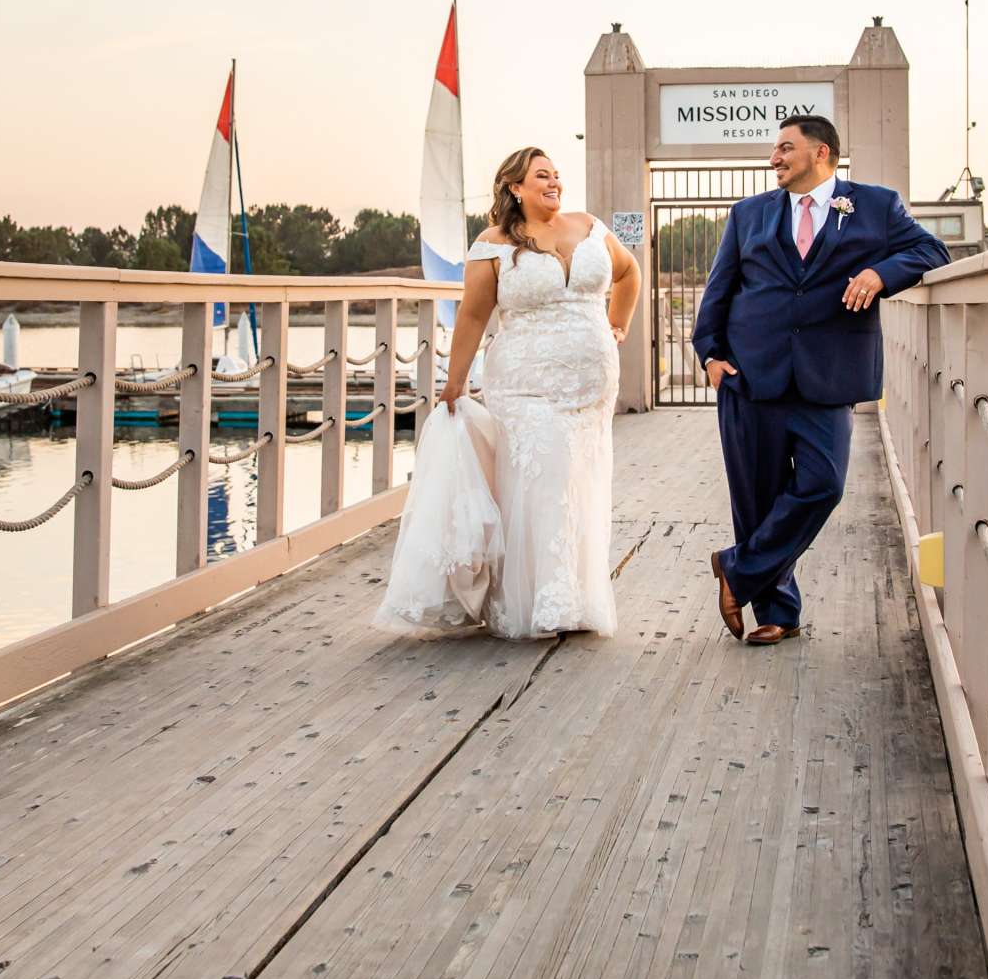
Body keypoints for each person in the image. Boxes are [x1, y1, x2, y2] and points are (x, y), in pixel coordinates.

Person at [693, 116, 948, 644]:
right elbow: (721, 286)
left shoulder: (875, 205)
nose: (775, 159)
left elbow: (931, 251)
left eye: (786, 148)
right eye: (775, 150)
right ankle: (778, 613)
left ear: (822, 153)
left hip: (828, 376)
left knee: (823, 485)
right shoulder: (749, 214)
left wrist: (881, 273)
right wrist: (710, 355)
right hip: (749, 375)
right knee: (756, 499)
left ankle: (736, 568)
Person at [382, 145, 640, 639]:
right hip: (526, 384)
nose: (554, 182)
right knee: (545, 480)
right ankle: (544, 601)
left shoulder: (591, 226)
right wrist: (455, 380)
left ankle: (576, 597)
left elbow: (629, 274)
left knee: (581, 481)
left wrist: (617, 325)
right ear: (515, 188)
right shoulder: (493, 243)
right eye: (541, 176)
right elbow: (474, 314)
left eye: (556, 175)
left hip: (591, 389)